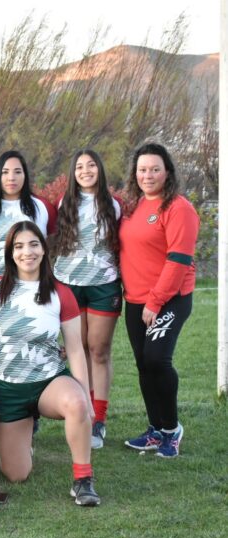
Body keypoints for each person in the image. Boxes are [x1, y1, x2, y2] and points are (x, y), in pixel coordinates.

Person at [0, 221, 99, 507]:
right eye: (19, 246)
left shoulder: (61, 293)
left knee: (76, 403)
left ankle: (83, 480)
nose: (27, 252)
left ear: (44, 249)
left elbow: (74, 348)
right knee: (15, 474)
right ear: (10, 253)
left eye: (34, 244)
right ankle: (25, 435)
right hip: (8, 388)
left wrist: (86, 395)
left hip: (49, 381)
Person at [119, 143, 199, 458]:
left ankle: (171, 429)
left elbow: (178, 260)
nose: (148, 175)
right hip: (135, 299)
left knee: (156, 359)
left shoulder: (179, 208)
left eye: (154, 169)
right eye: (142, 169)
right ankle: (154, 430)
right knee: (143, 364)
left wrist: (156, 301)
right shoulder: (133, 206)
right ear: (134, 173)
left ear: (167, 172)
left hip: (169, 298)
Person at [52, 150, 122, 449]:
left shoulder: (113, 205)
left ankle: (99, 420)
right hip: (69, 283)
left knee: (99, 350)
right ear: (73, 172)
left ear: (100, 169)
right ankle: (83, 412)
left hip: (104, 284)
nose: (85, 170)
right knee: (76, 350)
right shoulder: (63, 203)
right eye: (79, 166)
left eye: (91, 165)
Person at [0, 150, 56, 291]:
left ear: (25, 175)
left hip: (32, 288)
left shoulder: (42, 207)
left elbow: (51, 244)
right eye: (5, 172)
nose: (11, 178)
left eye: (17, 172)